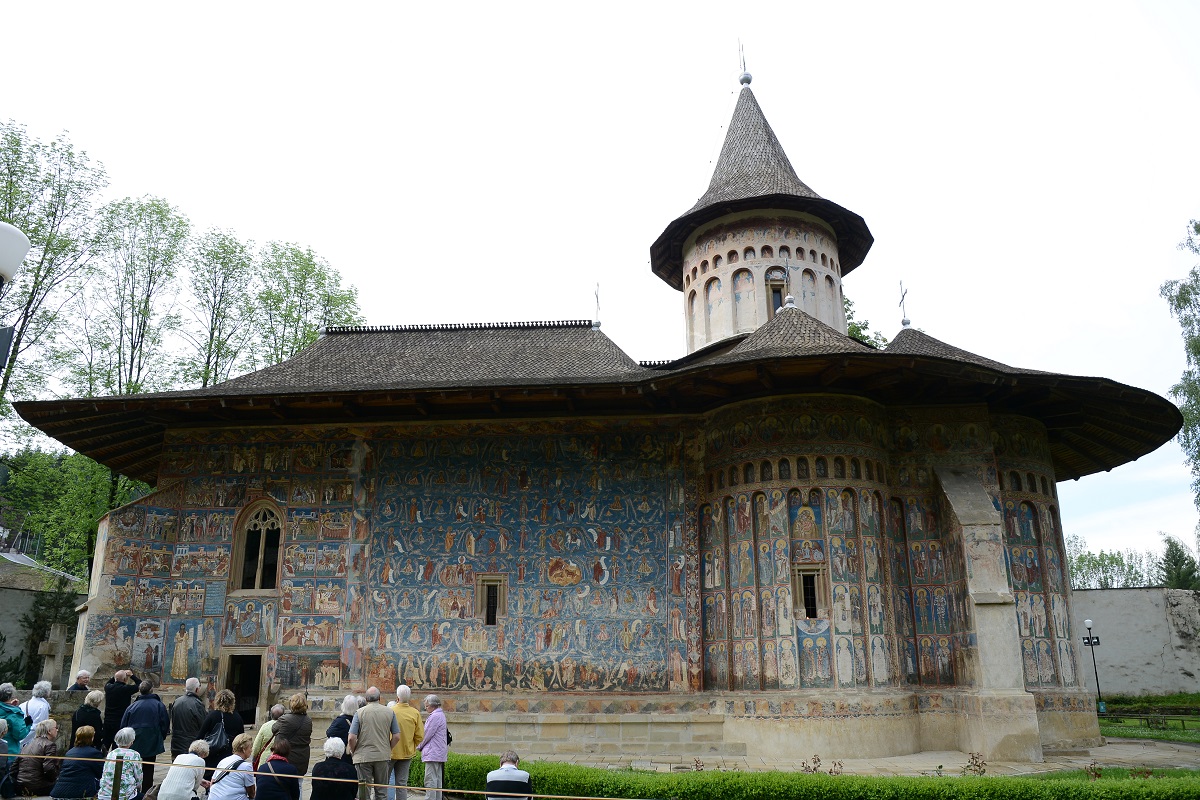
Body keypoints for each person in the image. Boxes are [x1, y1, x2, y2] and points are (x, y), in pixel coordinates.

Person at [347, 687, 398, 800]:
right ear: (379, 698)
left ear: (366, 699)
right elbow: (397, 736)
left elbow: (351, 737)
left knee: (364, 792)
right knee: (381, 792)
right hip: (382, 755)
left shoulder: (359, 713)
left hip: (363, 756)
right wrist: (388, 748)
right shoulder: (390, 712)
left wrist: (354, 750)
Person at [120, 680, 170, 794]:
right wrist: (160, 737)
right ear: (151, 689)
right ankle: (147, 792)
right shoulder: (158, 705)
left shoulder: (132, 706)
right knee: (148, 768)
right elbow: (165, 723)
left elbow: (123, 725)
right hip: (151, 740)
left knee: (133, 766)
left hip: (134, 741)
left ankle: (133, 791)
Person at [197, 689, 244, 778]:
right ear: (232, 702)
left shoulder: (212, 715)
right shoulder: (237, 718)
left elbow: (200, 736)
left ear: (217, 701)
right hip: (229, 757)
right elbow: (241, 739)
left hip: (213, 755)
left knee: (211, 782)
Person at [50, 724, 105, 799]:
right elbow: (101, 773)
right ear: (91, 738)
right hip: (80, 792)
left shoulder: (69, 752)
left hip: (59, 792)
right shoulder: (94, 753)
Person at [389, 685, 423, 800]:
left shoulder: (390, 711)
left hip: (390, 751)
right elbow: (419, 736)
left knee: (384, 782)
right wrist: (411, 745)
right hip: (406, 752)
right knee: (402, 784)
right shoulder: (415, 713)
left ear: (397, 697)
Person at [15, 717, 61, 795]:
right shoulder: (49, 745)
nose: (57, 730)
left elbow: (14, 767)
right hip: (38, 787)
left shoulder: (27, 745)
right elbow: (49, 768)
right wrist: (56, 779)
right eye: (56, 728)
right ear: (49, 731)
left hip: (21, 787)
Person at [415, 694, 447, 800]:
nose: (425, 708)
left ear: (433, 706)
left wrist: (418, 746)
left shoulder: (434, 716)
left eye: (427, 706)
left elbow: (426, 734)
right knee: (437, 781)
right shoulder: (440, 714)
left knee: (430, 781)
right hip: (438, 752)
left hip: (433, 753)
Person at [208, 732, 256, 800]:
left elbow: (212, 782)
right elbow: (251, 792)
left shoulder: (223, 761)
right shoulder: (246, 766)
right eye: (250, 748)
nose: (251, 750)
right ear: (244, 749)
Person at [98, 727, 142, 800]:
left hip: (105, 794)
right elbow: (139, 777)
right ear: (131, 741)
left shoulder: (111, 754)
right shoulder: (134, 754)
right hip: (125, 795)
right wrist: (138, 788)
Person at [272, 694, 311, 775]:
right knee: (298, 783)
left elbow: (274, 729)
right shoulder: (308, 720)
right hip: (302, 757)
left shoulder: (285, 719)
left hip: (287, 757)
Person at [103, 670, 141, 751]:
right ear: (125, 679)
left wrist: (116, 676)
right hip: (120, 720)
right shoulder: (126, 689)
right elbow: (140, 685)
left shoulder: (108, 687)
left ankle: (102, 760)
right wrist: (132, 675)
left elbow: (108, 682)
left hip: (108, 720)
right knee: (117, 743)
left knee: (105, 743)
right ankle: (116, 761)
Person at [170, 677, 207, 759]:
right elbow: (203, 725)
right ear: (197, 689)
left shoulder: (177, 701)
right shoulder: (197, 704)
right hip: (191, 744)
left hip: (176, 743)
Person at [324, 696, 357, 765]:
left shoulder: (340, 720)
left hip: (340, 754)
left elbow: (329, 732)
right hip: (353, 752)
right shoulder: (357, 719)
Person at [19, 681, 52, 747]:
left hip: (20, 738)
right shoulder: (43, 706)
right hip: (31, 742)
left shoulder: (23, 704)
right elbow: (41, 727)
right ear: (47, 692)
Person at [251, 705, 284, 769]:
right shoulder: (285, 726)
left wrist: (254, 757)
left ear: (271, 715)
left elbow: (257, 745)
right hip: (281, 760)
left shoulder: (265, 726)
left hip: (265, 760)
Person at [0, 685, 28, 759]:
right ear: (11, 696)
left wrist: (10, 706)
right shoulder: (14, 714)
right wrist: (28, 724)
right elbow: (19, 734)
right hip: (8, 752)